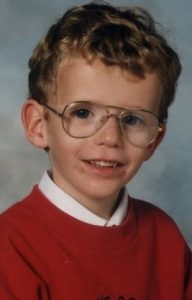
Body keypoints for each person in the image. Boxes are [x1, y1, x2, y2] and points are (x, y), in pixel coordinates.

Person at [1, 1, 192, 299]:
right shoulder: (10, 247)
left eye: (132, 119)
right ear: (39, 125)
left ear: (154, 140)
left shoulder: (166, 238)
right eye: (83, 113)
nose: (110, 138)